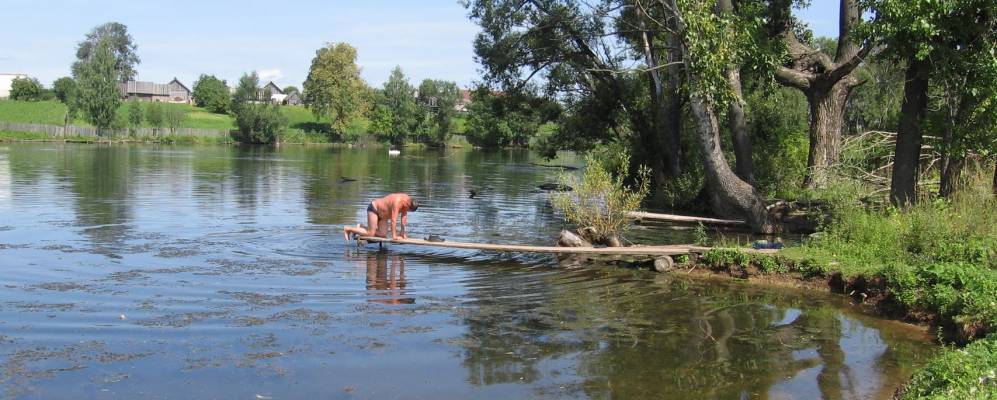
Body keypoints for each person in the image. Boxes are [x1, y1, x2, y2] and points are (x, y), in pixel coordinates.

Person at [343, 193, 418, 242]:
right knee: (371, 233)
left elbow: (404, 217)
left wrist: (402, 233)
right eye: (408, 210)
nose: (406, 211)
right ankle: (348, 229)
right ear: (407, 204)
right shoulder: (397, 202)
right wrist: (394, 236)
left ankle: (361, 227)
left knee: (383, 235)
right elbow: (393, 220)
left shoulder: (407, 201)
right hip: (374, 209)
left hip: (383, 216)